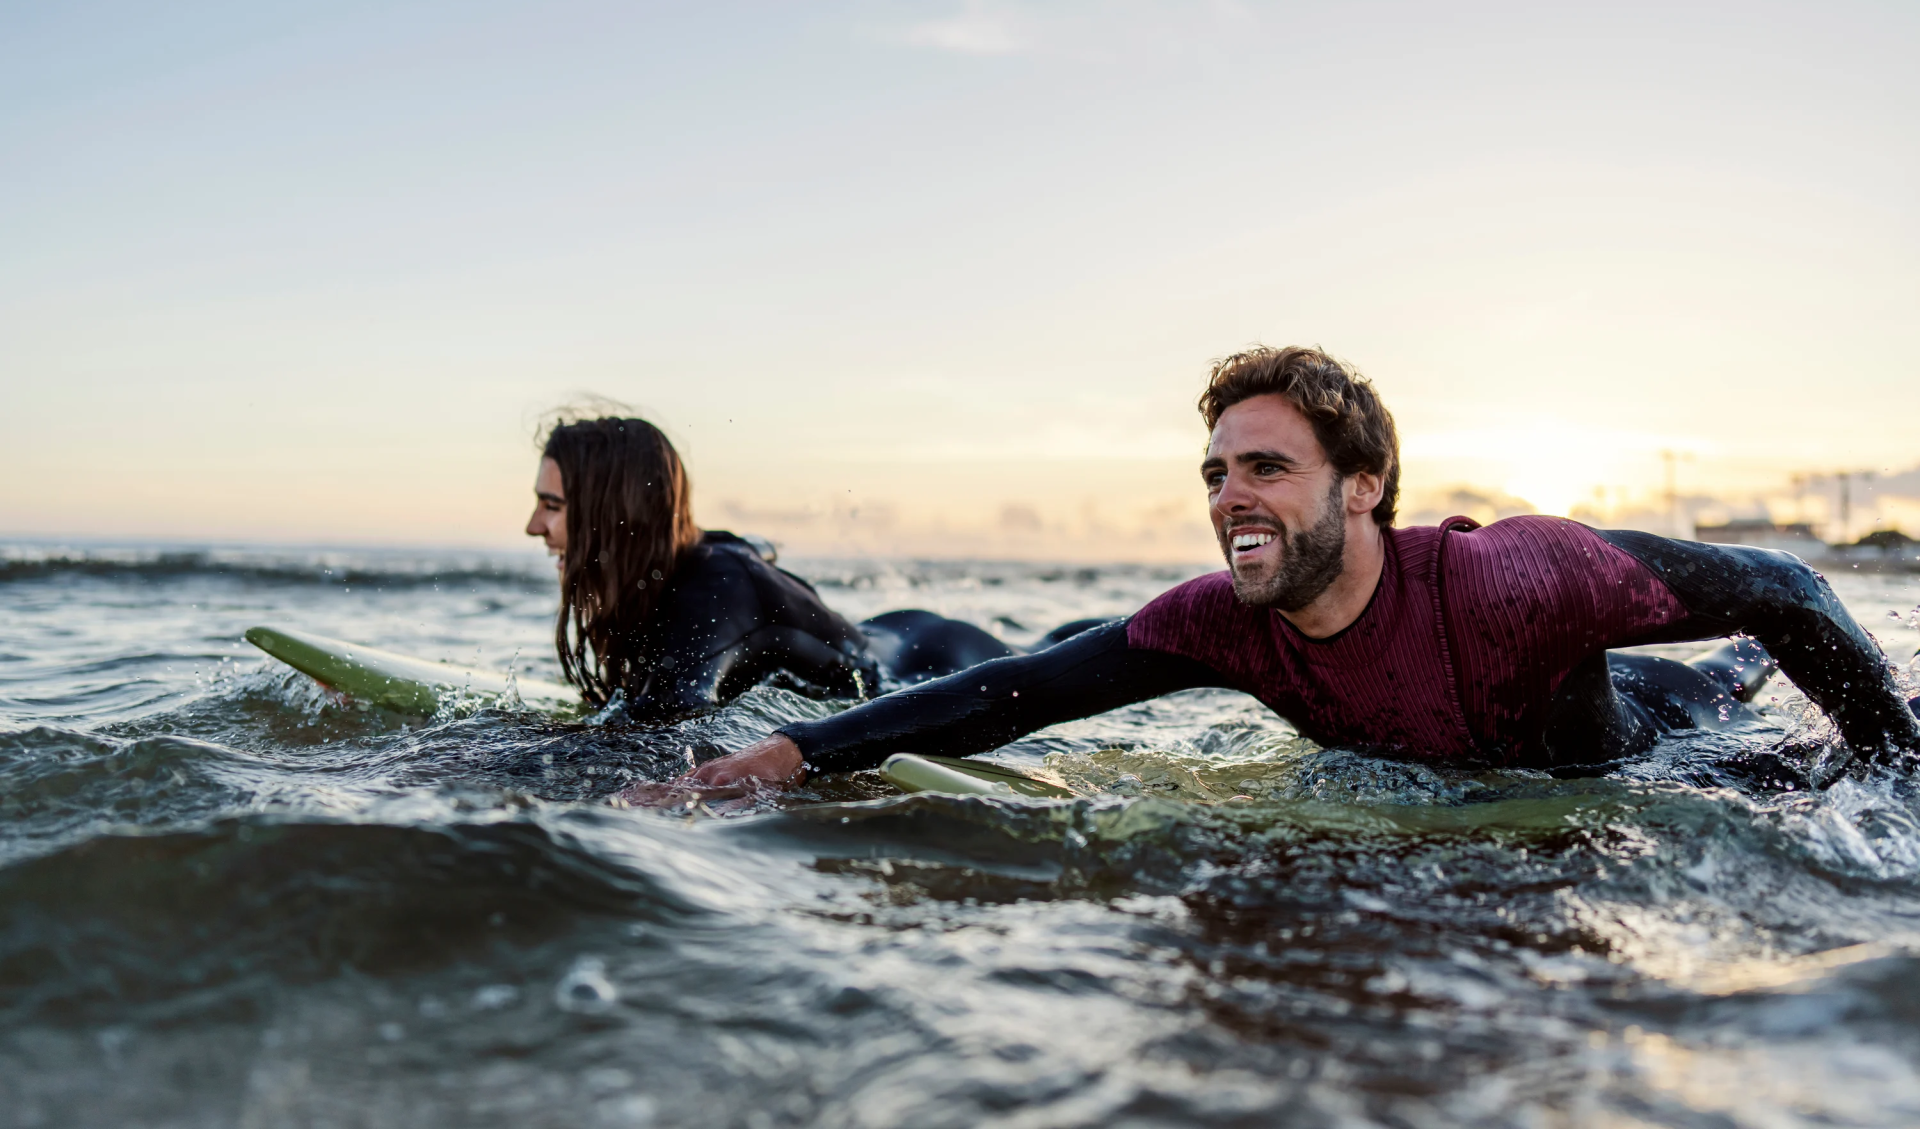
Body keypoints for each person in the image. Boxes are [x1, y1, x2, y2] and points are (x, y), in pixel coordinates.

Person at [661, 346, 1918, 795]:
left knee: (1737, 679)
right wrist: (782, 757)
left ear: (1361, 484)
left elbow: (1789, 586)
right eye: (1214, 472)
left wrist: (1895, 765)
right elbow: (1019, 694)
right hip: (1450, 766)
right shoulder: (1225, 623)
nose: (1228, 496)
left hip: (1642, 739)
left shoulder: (1519, 575)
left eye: (1264, 466)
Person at [524, 413, 1040, 722]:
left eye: (552, 506)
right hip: (895, 633)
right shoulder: (675, 569)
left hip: (936, 662)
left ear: (610, 515)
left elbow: (663, 733)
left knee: (1066, 651)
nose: (533, 526)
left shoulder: (714, 589)